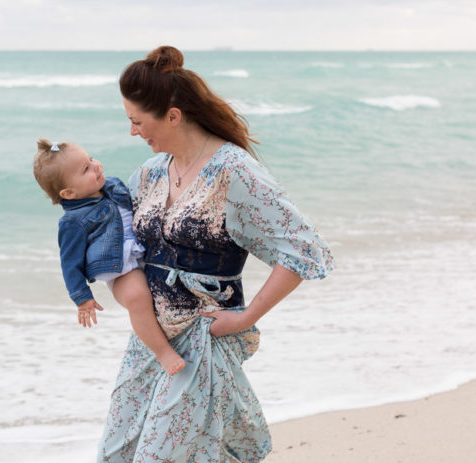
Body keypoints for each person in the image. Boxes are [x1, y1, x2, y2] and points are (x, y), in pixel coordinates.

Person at [97, 46, 334, 462]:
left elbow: (303, 249)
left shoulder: (233, 170)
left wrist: (246, 318)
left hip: (201, 341)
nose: (133, 132)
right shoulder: (151, 173)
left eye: (137, 121)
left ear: (172, 115)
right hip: (151, 342)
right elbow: (115, 242)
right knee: (118, 453)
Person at [33, 138, 186, 376]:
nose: (96, 166)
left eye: (91, 159)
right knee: (137, 298)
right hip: (120, 268)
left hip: (142, 251)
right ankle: (163, 352)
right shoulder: (72, 221)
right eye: (85, 169)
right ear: (69, 193)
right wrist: (82, 297)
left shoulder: (112, 186)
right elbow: (69, 262)